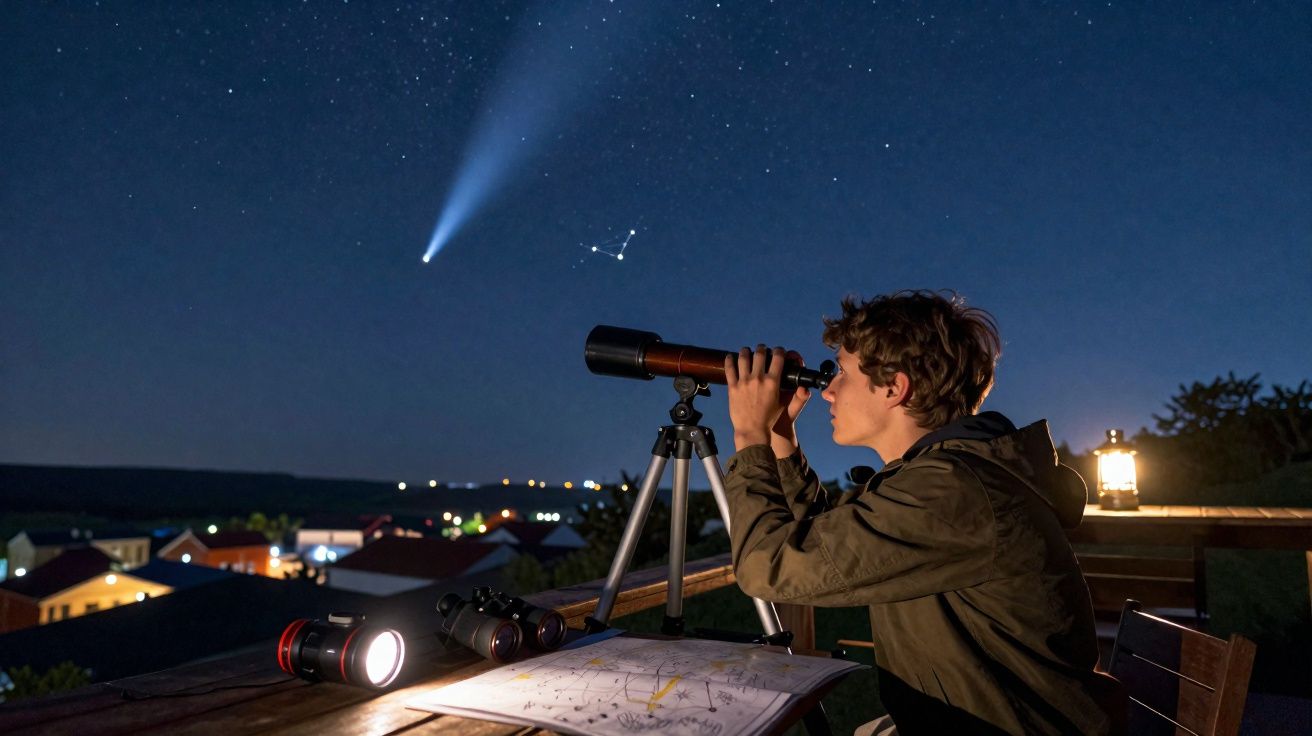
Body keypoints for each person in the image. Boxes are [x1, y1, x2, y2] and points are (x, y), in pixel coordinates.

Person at [721, 290, 1122, 735]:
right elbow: (824, 541)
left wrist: (748, 433)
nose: (828, 391)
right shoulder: (947, 478)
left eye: (843, 375)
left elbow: (768, 566)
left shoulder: (953, 492)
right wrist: (779, 440)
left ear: (894, 387)